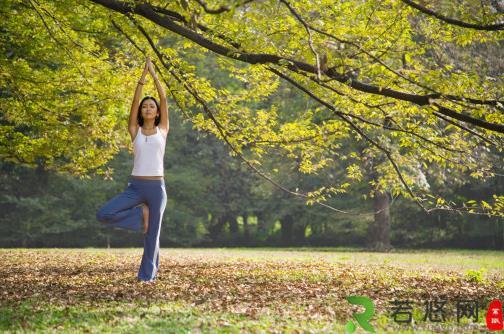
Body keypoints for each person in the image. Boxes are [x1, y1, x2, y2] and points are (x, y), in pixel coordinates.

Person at [96, 55, 169, 282]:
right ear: (141, 111)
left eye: (152, 106)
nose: (148, 108)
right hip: (136, 186)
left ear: (157, 113)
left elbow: (164, 99)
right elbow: (134, 103)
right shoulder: (134, 130)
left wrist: (154, 76)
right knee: (104, 214)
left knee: (152, 236)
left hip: (157, 187)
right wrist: (141, 79)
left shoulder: (163, 130)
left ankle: (146, 278)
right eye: (145, 106)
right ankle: (140, 215)